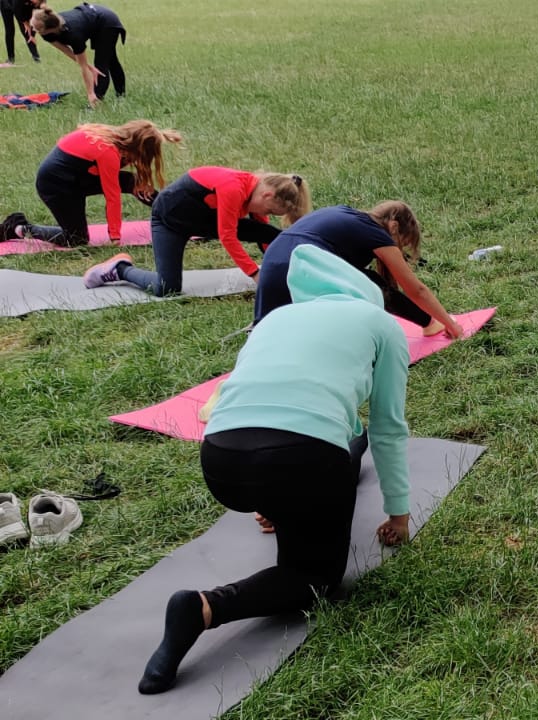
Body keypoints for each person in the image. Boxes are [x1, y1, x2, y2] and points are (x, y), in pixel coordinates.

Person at [136, 245, 413, 695]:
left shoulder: (274, 320)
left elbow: (250, 397)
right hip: (300, 461)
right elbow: (388, 427)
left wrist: (270, 501)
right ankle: (204, 608)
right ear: (369, 294)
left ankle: (280, 503)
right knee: (316, 578)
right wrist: (398, 513)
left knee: (322, 449)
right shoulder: (380, 323)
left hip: (223, 461)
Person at [81, 166, 310, 296]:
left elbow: (264, 239)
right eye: (270, 209)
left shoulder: (258, 195)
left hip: (202, 221)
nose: (267, 212)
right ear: (267, 195)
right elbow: (227, 236)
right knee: (166, 288)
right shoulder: (233, 188)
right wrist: (256, 275)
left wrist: (283, 268)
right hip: (169, 222)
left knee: (270, 233)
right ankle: (119, 269)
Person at [253, 202, 463, 337]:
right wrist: (451, 326)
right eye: (401, 243)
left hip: (274, 262)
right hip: (300, 265)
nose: (398, 250)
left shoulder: (346, 214)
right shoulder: (375, 233)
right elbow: (416, 290)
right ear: (394, 227)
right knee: (373, 285)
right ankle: (430, 324)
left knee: (265, 330)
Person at [1, 120, 181, 247]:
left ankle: (176, 217)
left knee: (131, 181)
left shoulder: (113, 138)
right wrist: (115, 237)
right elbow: (113, 197)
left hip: (73, 178)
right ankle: (18, 227)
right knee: (76, 239)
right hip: (55, 186)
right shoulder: (108, 151)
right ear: (137, 149)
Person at [30, 2, 125, 107]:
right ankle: (120, 95)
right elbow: (67, 51)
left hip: (106, 22)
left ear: (47, 29)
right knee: (110, 59)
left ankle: (96, 100)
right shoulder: (47, 32)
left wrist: (90, 93)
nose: (33, 30)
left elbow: (83, 67)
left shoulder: (74, 35)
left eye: (36, 28)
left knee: (102, 63)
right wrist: (88, 66)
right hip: (93, 18)